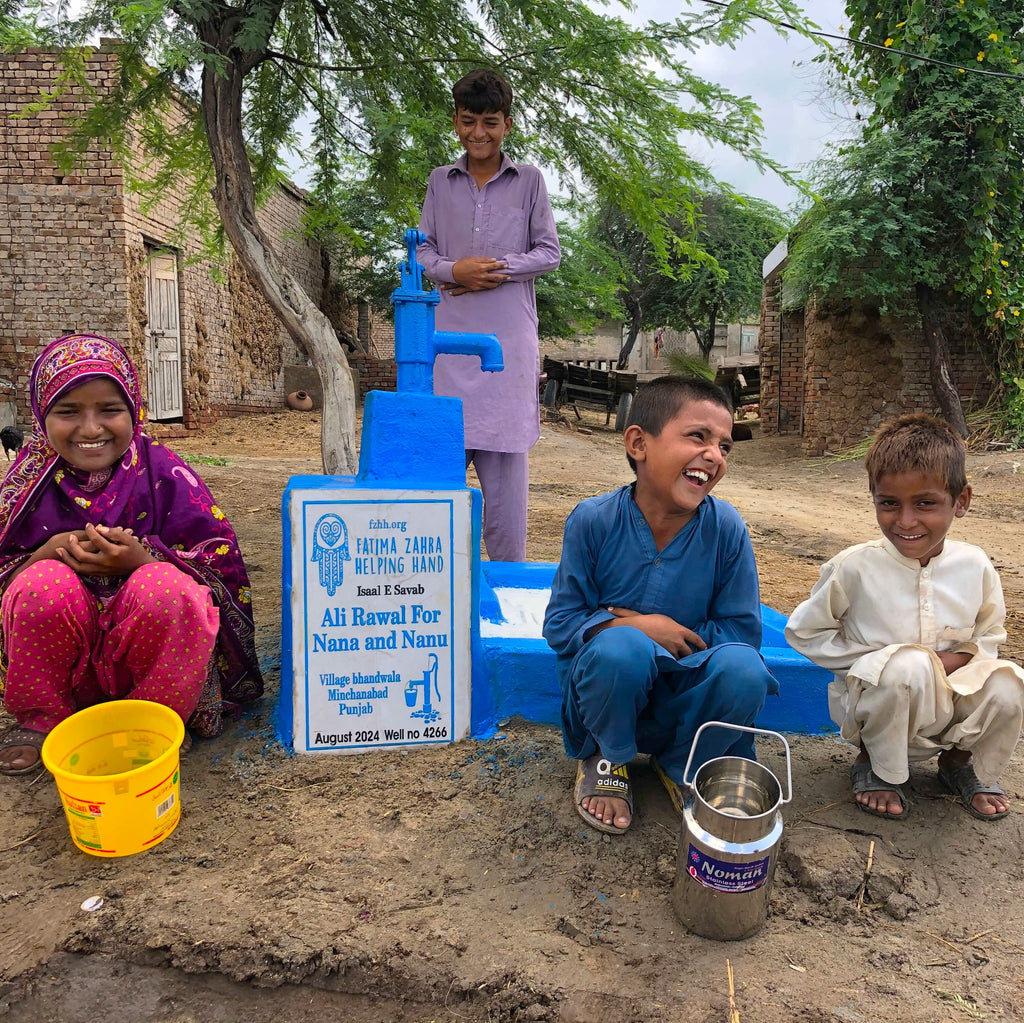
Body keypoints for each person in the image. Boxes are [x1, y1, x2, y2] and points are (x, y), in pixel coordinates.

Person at [0, 333, 263, 776]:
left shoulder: (165, 472)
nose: (90, 428)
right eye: (68, 412)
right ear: (43, 416)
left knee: (167, 589)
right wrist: (45, 553)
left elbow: (218, 564)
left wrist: (142, 560)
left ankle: (153, 722)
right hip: (69, 666)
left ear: (134, 411)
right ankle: (46, 719)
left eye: (109, 409)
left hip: (154, 662)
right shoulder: (25, 483)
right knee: (41, 585)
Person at [543, 377, 776, 834]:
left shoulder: (725, 527)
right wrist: (632, 630)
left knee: (744, 669)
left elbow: (742, 633)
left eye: (725, 447)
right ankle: (607, 756)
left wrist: (668, 635)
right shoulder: (594, 521)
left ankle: (684, 762)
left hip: (687, 695)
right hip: (609, 692)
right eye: (698, 436)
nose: (715, 455)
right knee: (621, 649)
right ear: (638, 443)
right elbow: (561, 624)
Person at [785, 413, 1024, 821]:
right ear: (874, 498)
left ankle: (959, 764)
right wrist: (874, 663)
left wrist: (953, 662)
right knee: (903, 667)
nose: (907, 520)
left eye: (926, 503)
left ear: (960, 501)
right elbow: (804, 633)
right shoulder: (854, 568)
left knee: (1010, 682)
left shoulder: (976, 566)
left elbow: (989, 634)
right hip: (879, 703)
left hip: (952, 695)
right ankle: (877, 767)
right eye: (889, 503)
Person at [417, 68, 560, 562]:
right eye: (469, 120)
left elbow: (549, 252)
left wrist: (494, 270)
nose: (479, 133)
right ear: (455, 122)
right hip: (446, 347)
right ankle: (438, 586)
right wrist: (454, 268)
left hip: (507, 351)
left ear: (508, 124)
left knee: (505, 498)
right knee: (440, 483)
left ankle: (506, 588)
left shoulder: (530, 182)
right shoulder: (440, 182)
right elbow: (421, 253)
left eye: (490, 122)